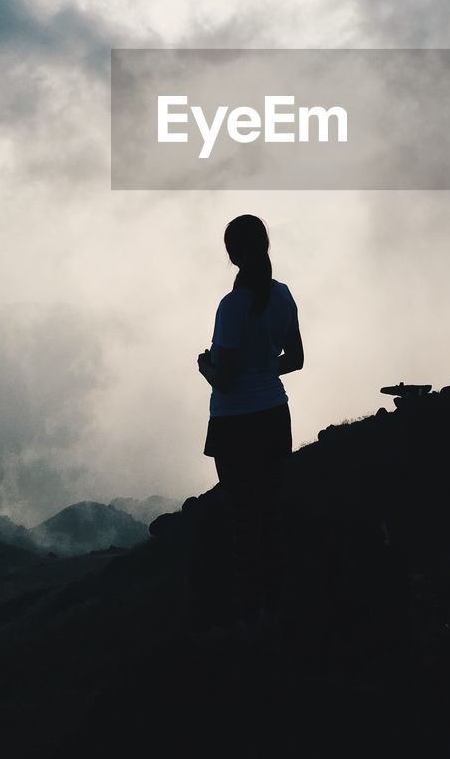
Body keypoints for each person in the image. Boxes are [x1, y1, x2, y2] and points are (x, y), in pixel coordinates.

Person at [197, 214, 304, 628]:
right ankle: (276, 607)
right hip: (275, 417)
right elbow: (294, 360)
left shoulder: (231, 306)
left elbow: (223, 380)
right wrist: (261, 369)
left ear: (232, 254)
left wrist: (205, 365)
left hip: (234, 423)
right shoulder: (283, 296)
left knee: (243, 522)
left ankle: (250, 617)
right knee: (270, 513)